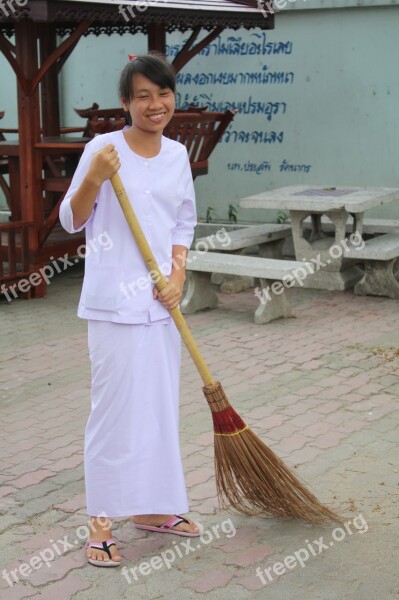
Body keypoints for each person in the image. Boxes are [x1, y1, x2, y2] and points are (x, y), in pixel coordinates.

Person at [59, 53, 199, 568]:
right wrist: (93, 176)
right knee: (114, 412)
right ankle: (100, 522)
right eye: (143, 95)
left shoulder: (178, 155)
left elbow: (183, 220)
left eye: (163, 94)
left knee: (159, 409)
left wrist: (178, 275)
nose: (155, 104)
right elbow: (72, 220)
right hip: (113, 302)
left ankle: (152, 509)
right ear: (126, 102)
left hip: (161, 303)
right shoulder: (103, 148)